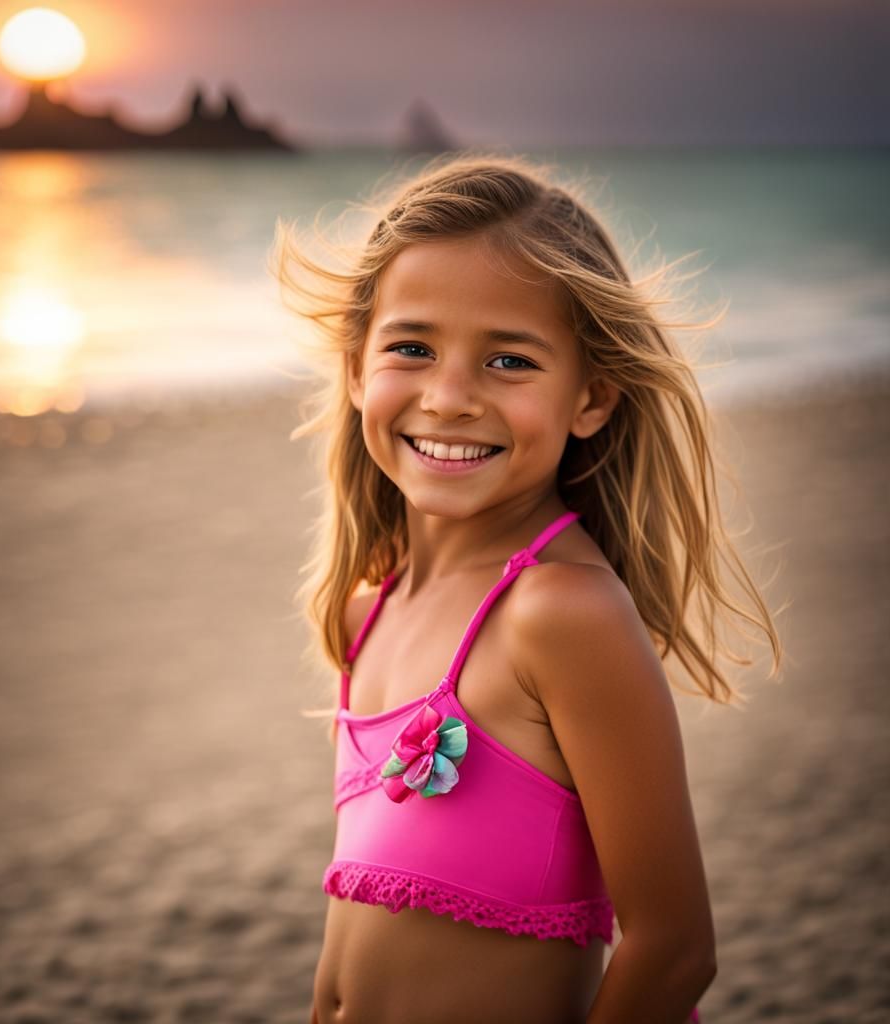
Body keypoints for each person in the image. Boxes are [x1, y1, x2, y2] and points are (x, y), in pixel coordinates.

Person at [271, 154, 782, 1023]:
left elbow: (674, 951)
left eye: (508, 360)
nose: (451, 396)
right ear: (358, 368)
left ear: (592, 397)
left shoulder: (559, 615)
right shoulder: (369, 607)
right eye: (412, 347)